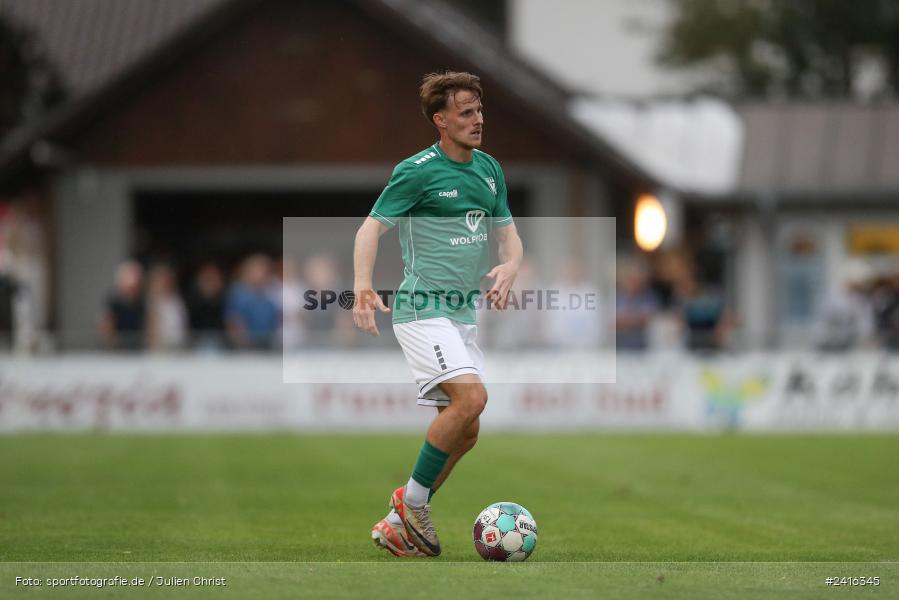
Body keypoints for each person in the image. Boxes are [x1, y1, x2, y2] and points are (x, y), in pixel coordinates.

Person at [353, 72, 522, 558]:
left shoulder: (489, 169)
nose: (478, 119)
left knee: (468, 429)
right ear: (441, 121)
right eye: (466, 112)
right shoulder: (417, 171)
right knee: (472, 399)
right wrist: (363, 286)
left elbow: (509, 235)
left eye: (479, 110)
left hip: (462, 314)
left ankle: (397, 522)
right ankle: (411, 504)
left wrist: (512, 264)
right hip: (421, 308)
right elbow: (369, 230)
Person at [98, 260, 145, 350]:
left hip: (139, 351)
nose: (133, 291)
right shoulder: (112, 303)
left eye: (136, 287)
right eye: (130, 287)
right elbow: (106, 331)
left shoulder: (143, 304)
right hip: (118, 351)